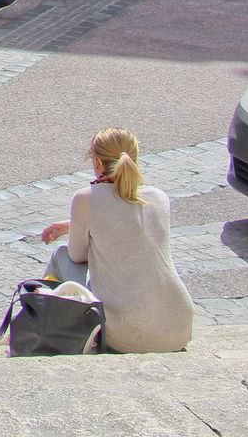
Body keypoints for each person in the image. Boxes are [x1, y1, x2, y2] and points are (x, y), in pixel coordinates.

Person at [39, 127, 194, 354]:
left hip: (126, 333)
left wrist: (79, 227)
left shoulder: (86, 198)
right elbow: (129, 225)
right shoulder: (159, 198)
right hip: (177, 326)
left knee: (61, 256)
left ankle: (43, 324)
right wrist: (71, 225)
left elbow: (77, 256)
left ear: (98, 162)